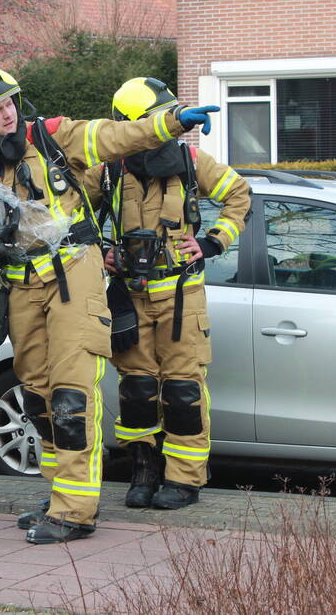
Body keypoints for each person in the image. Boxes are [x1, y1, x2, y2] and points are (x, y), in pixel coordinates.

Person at [0, 66, 218, 544]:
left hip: (73, 274)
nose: (7, 112)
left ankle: (76, 510)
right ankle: (59, 496)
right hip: (19, 287)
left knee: (72, 395)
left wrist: (174, 121)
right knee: (37, 395)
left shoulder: (54, 137)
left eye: (11, 101)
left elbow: (120, 135)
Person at [92, 77, 251, 510]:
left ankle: (184, 479)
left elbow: (240, 195)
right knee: (137, 388)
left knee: (183, 389)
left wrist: (214, 240)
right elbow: (74, 213)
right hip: (130, 294)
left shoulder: (190, 161)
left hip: (182, 297)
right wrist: (101, 252)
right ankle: (144, 469)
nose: (169, 126)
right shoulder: (108, 170)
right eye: (156, 119)